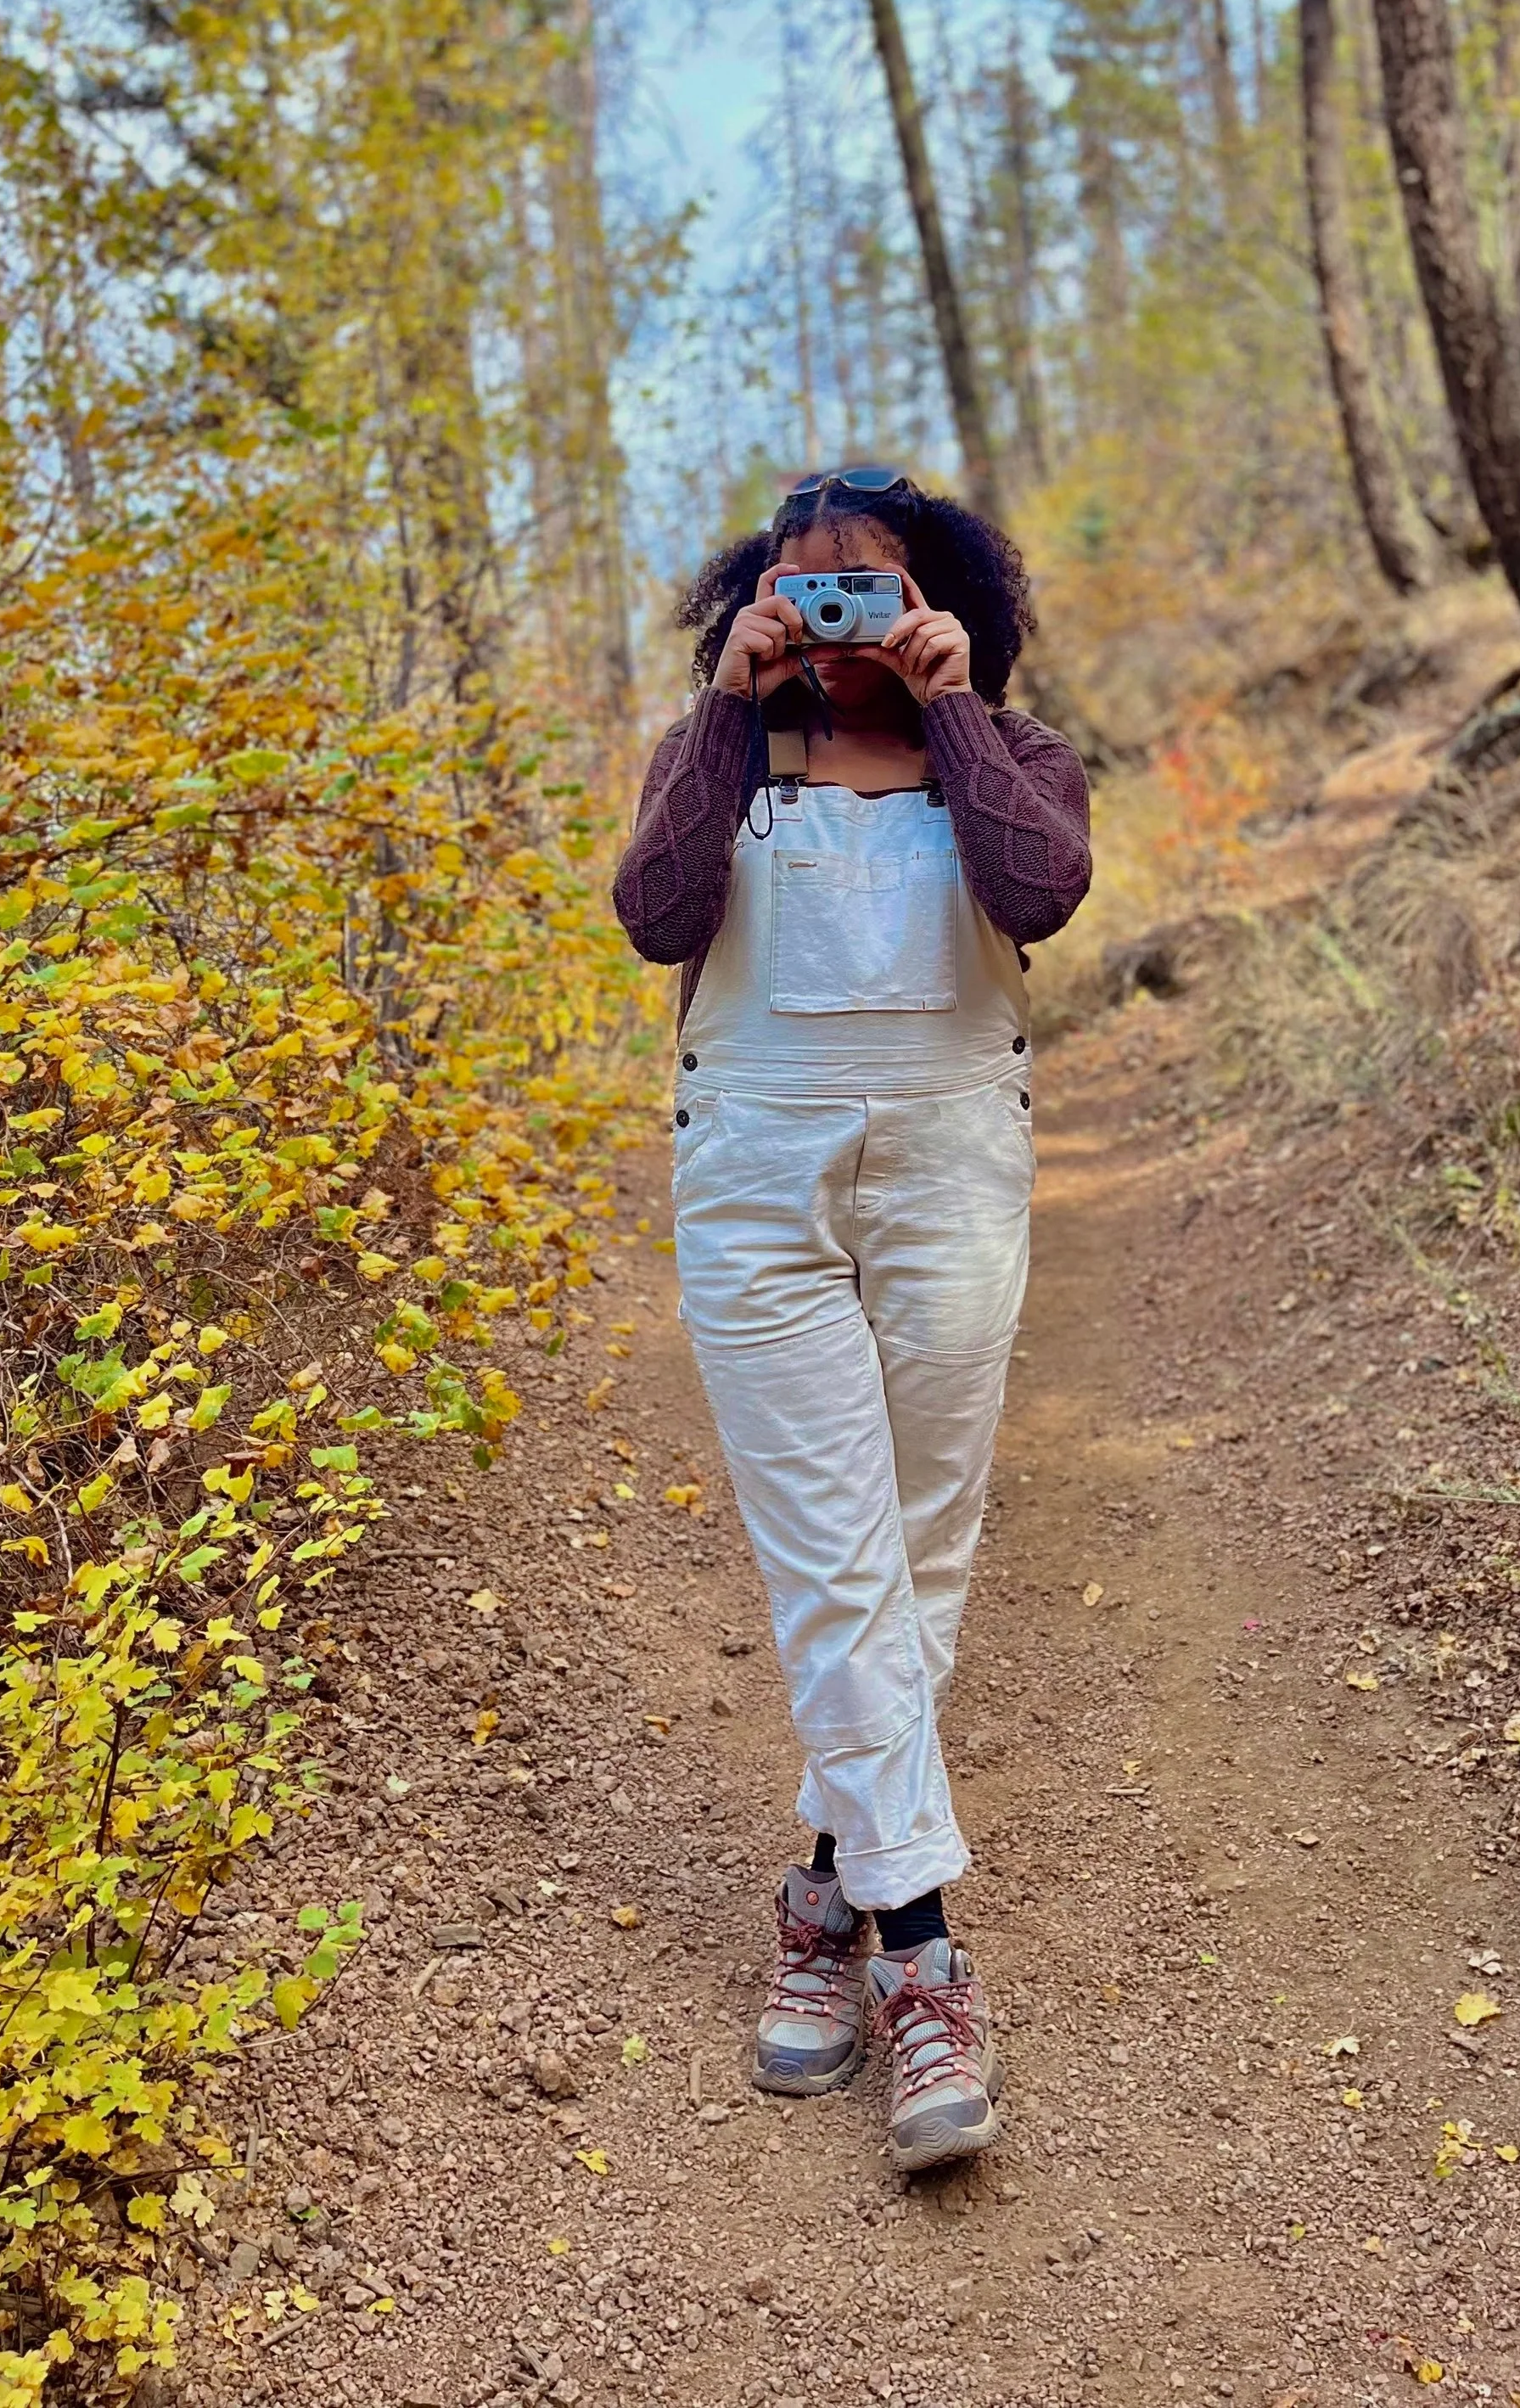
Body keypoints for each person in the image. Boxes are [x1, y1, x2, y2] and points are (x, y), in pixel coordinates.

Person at [611, 467, 1092, 2171]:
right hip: (752, 1166)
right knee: (832, 1551)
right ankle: (920, 1957)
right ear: (757, 602)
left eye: (868, 589)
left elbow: (1037, 895)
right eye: (800, 591)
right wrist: (720, 708)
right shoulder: (721, 754)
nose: (837, 622)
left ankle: (823, 1889)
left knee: (921, 1537)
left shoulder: (1007, 752)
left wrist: (953, 707)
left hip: (954, 1151)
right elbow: (655, 915)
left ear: (935, 597)